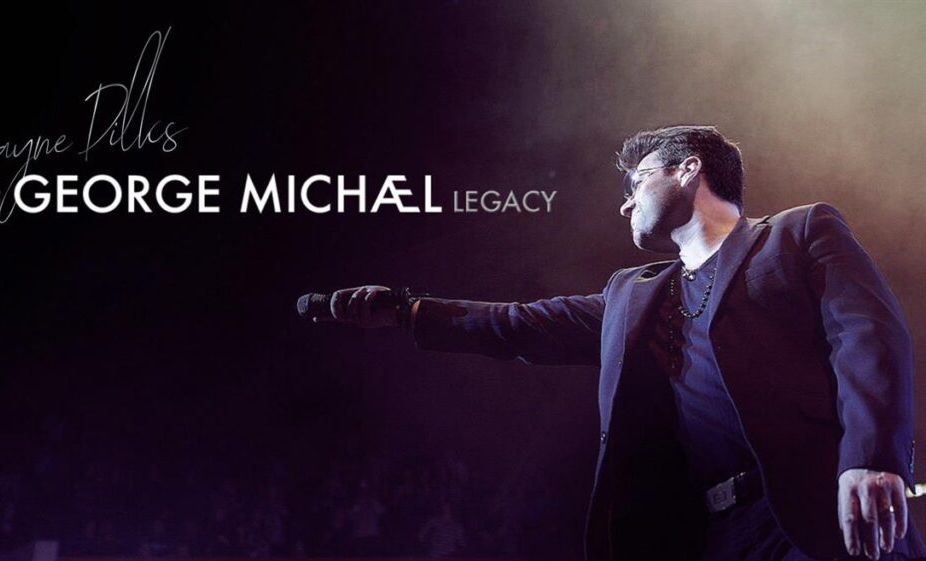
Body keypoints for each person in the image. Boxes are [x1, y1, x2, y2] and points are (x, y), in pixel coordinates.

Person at [316, 125, 923, 561]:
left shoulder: (798, 233)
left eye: (637, 180)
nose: (625, 201)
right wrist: (406, 310)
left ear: (688, 169)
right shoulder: (632, 296)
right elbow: (519, 323)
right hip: (711, 535)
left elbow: (868, 335)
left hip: (817, 510)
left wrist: (872, 456)